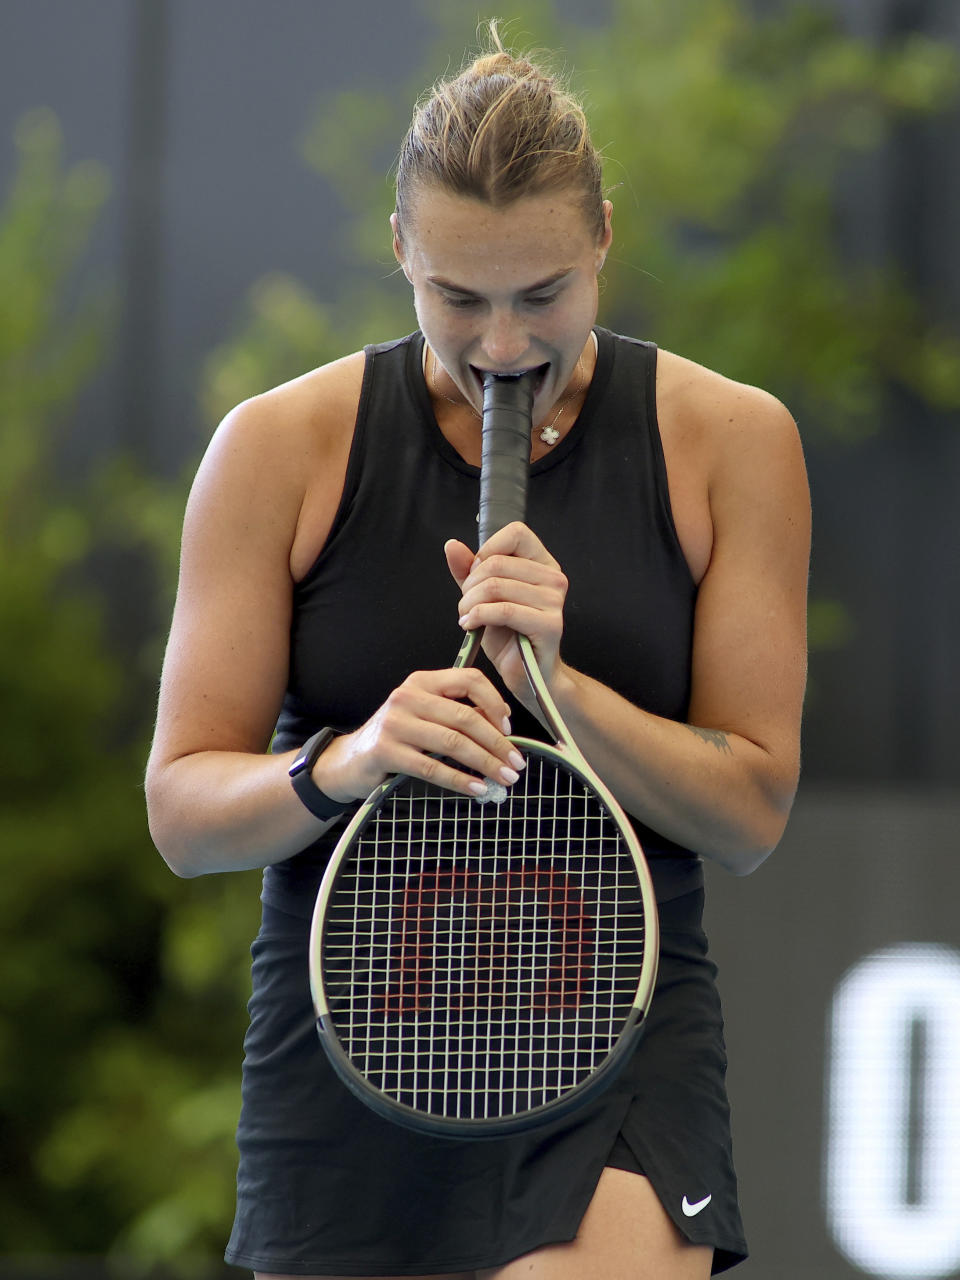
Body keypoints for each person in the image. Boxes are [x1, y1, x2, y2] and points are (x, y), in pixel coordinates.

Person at [146, 22, 809, 1280]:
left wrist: (558, 690)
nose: (503, 345)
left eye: (542, 295)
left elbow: (753, 807)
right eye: (458, 297)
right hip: (356, 1035)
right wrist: (344, 761)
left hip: (617, 1030)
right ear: (401, 249)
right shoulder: (276, 448)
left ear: (604, 235)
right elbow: (183, 811)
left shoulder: (733, 441)